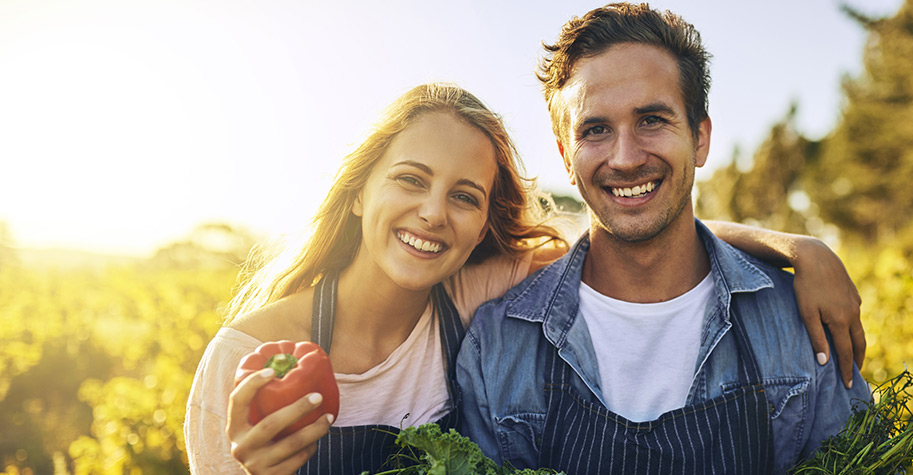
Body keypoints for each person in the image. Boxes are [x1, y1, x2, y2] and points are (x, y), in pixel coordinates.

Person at [184, 82, 861, 474]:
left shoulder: (473, 293)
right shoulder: (244, 360)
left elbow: (629, 231)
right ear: (359, 191)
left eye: (464, 195)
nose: (432, 211)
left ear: (483, 224)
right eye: (411, 179)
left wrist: (797, 247)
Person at [456, 4, 872, 474]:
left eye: (652, 119)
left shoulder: (796, 321)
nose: (626, 158)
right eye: (595, 129)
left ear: (699, 138)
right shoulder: (498, 346)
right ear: (565, 158)